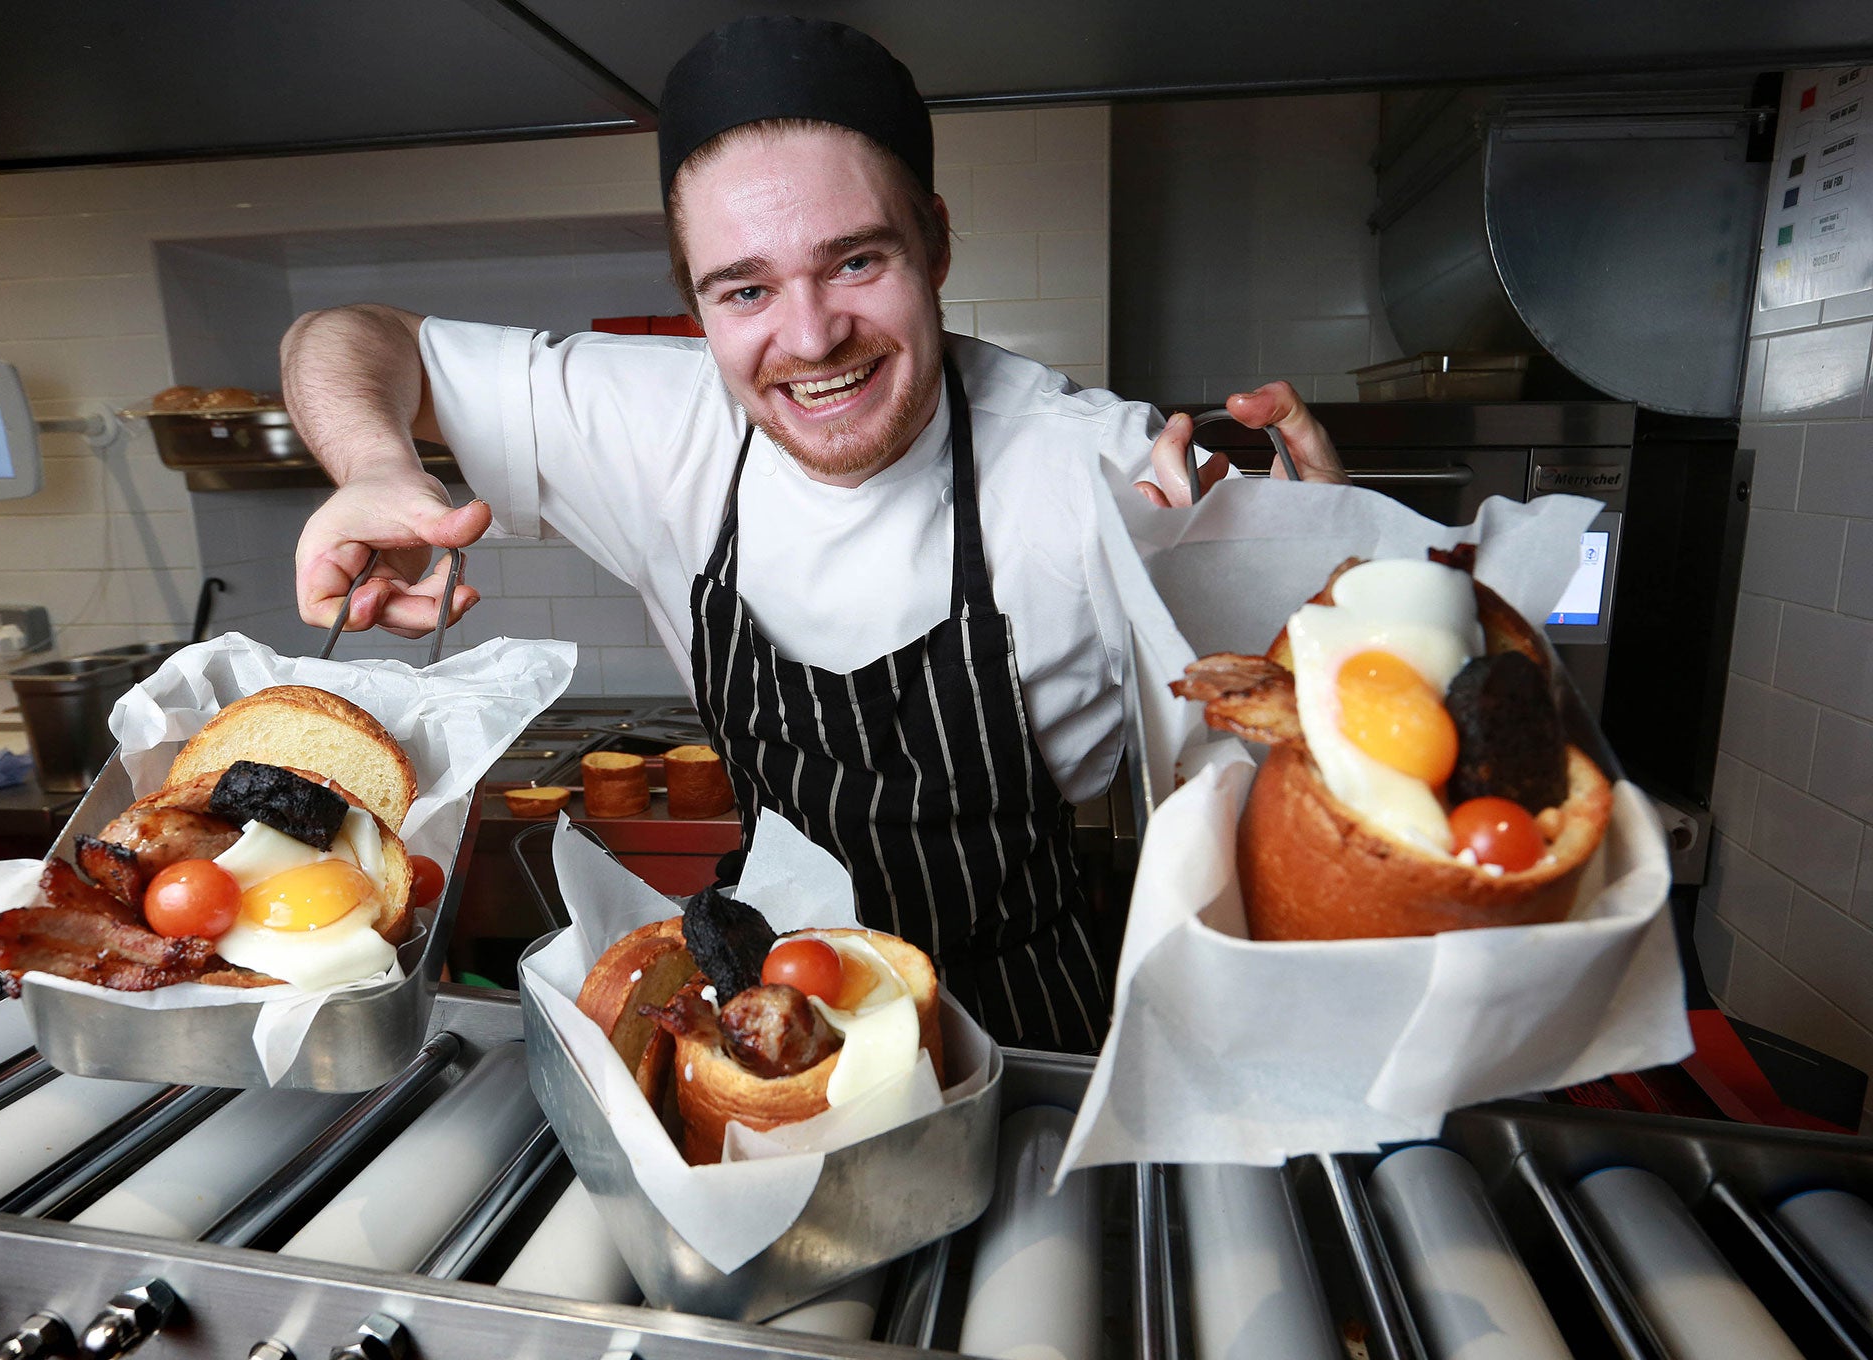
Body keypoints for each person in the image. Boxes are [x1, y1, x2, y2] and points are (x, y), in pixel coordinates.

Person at [284, 16, 1347, 1053]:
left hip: (1026, 1038)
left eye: (853, 263)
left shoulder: (1091, 469)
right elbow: (344, 337)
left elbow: (1332, 739)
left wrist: (1317, 574)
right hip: (765, 1015)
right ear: (695, 304)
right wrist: (377, 467)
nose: (807, 337)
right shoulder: (656, 423)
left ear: (931, 241)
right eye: (744, 288)